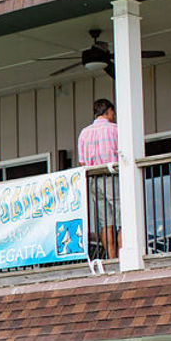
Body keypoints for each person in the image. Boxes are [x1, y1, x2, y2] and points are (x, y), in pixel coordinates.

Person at [78, 98, 120, 259]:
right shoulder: (115, 129)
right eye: (112, 112)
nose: (113, 115)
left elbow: (82, 162)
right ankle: (124, 258)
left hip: (94, 180)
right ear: (108, 111)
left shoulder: (84, 133)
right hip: (112, 177)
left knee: (105, 222)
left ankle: (111, 258)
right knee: (123, 219)